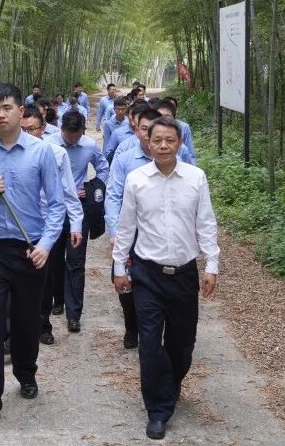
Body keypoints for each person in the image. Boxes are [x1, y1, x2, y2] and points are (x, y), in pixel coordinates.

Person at [0, 83, 67, 432]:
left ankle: (26, 370)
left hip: (29, 248)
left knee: (26, 321)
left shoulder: (41, 152)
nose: (1, 115)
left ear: (21, 110)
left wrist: (46, 245)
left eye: (6, 108)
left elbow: (57, 204)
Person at [112, 116, 218, 440]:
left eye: (169, 140)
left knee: (182, 344)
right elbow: (126, 226)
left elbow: (206, 223)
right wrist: (119, 268)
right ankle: (157, 410)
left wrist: (211, 264)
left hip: (183, 274)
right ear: (147, 142)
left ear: (179, 143)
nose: (162, 146)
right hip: (147, 273)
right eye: (156, 140)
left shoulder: (196, 178)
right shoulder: (136, 179)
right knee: (149, 343)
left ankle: (170, 383)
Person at [104, 107, 193, 350]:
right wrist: (114, 231)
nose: (147, 134)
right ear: (136, 130)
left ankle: (157, 327)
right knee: (124, 280)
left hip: (162, 230)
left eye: (151, 129)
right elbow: (113, 195)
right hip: (130, 230)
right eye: (143, 129)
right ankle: (132, 325)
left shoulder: (180, 154)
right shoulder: (125, 157)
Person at [16, 107, 83, 345]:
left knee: (43, 277)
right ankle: (12, 332)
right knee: (15, 279)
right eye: (22, 129)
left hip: (47, 225)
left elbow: (69, 192)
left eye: (31, 129)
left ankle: (43, 325)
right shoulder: (8, 152)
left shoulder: (56, 153)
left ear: (42, 129)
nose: (26, 134)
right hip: (18, 223)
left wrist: (75, 224)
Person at [49, 110, 109, 332]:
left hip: (79, 208)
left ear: (83, 131)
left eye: (77, 136)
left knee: (76, 261)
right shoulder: (48, 145)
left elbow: (103, 168)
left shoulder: (90, 145)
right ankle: (58, 299)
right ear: (61, 129)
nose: (72, 140)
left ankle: (74, 314)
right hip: (53, 209)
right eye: (68, 135)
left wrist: (91, 187)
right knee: (54, 258)